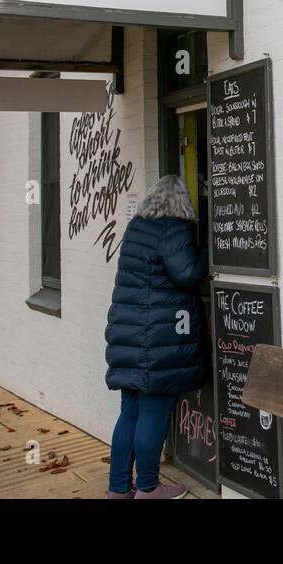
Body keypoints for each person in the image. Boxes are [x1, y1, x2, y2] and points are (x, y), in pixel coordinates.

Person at [104, 175, 209, 499]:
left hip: (129, 336)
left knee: (130, 412)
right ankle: (149, 487)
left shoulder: (136, 228)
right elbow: (186, 273)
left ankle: (119, 489)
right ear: (181, 202)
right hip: (158, 342)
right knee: (154, 411)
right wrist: (209, 250)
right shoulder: (173, 229)